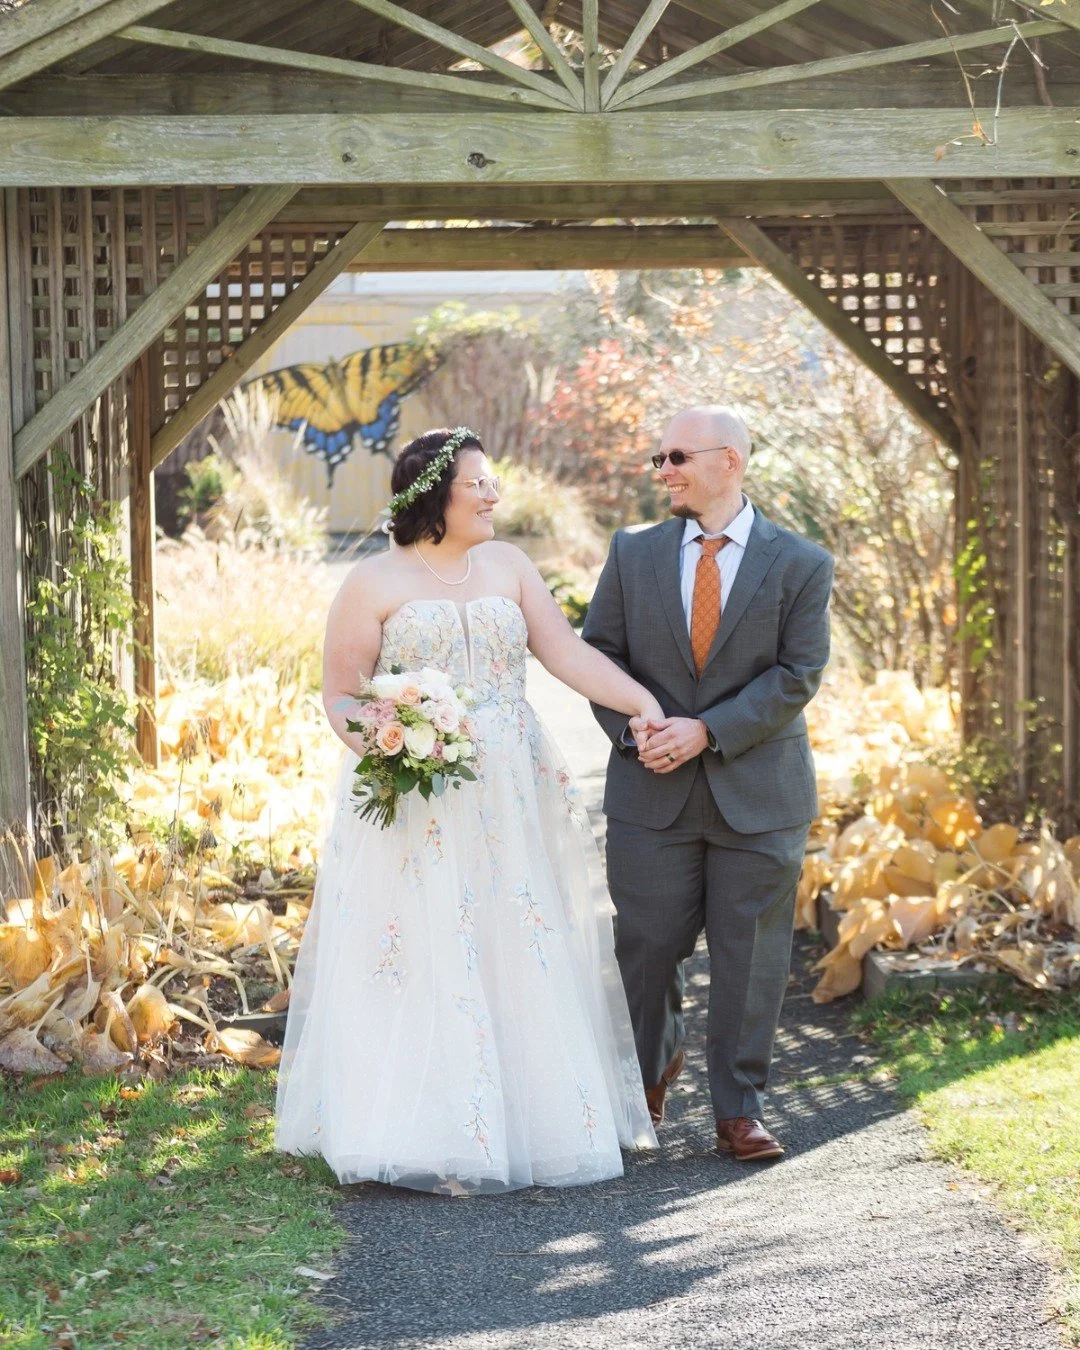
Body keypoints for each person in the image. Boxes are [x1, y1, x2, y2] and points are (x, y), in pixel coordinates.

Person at [275, 426, 659, 1194]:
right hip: (418, 793)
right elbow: (341, 696)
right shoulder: (372, 581)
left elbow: (566, 653)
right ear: (433, 493)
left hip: (511, 785)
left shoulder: (510, 565)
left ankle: (535, 1118)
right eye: (478, 483)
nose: (493, 494)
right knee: (423, 941)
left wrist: (642, 703)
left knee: (516, 933)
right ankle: (416, 1126)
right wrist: (393, 741)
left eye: (492, 481)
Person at [582, 405, 834, 1162]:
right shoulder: (632, 553)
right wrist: (635, 730)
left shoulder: (801, 563)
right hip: (650, 789)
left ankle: (739, 1109)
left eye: (678, 457)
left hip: (759, 792)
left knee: (750, 957)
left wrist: (709, 730)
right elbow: (598, 655)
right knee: (647, 944)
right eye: (659, 458)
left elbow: (799, 673)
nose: (664, 471)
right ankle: (648, 1077)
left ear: (731, 461)